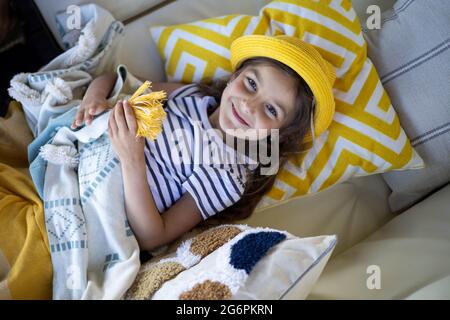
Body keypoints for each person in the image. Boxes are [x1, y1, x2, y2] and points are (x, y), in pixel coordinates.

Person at [70, 35, 336, 251]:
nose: (248, 105)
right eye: (252, 83)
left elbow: (153, 237)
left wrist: (132, 160)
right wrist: (94, 99)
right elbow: (117, 82)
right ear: (235, 76)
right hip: (74, 163)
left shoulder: (227, 175)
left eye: (271, 110)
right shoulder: (192, 95)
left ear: (280, 134)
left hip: (97, 216)